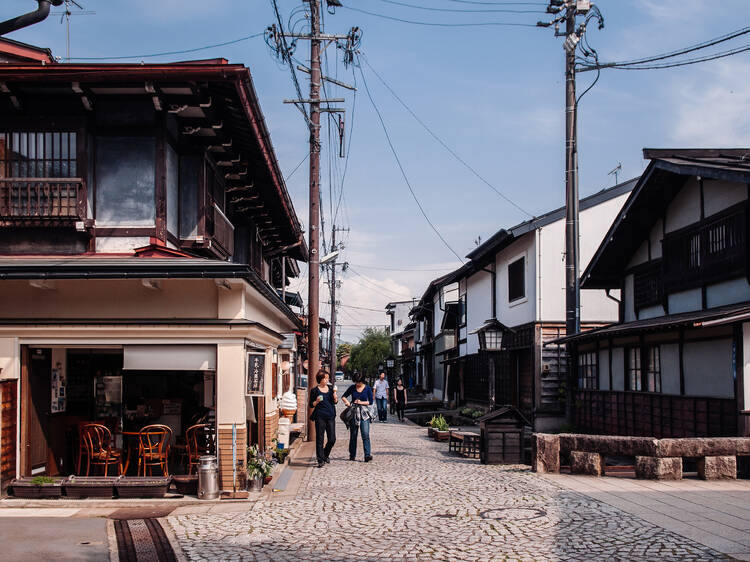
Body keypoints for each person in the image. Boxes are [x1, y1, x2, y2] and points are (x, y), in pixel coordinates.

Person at [341, 373, 375, 462]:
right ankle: (352, 455)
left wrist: (361, 402)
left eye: (359, 382)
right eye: (356, 382)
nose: (357, 384)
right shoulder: (352, 387)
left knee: (365, 434)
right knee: (353, 435)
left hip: (364, 413)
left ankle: (367, 455)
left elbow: (370, 401)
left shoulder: (367, 388)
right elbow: (343, 397)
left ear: (362, 381)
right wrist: (348, 403)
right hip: (354, 412)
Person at [309, 369, 337, 468]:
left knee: (332, 439)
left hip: (330, 416)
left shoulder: (330, 388)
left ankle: (325, 454)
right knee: (320, 438)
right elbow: (311, 405)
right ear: (320, 379)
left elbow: (335, 402)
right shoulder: (315, 390)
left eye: (327, 378)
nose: (327, 380)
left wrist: (335, 397)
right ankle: (320, 459)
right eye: (325, 378)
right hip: (320, 417)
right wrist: (316, 402)